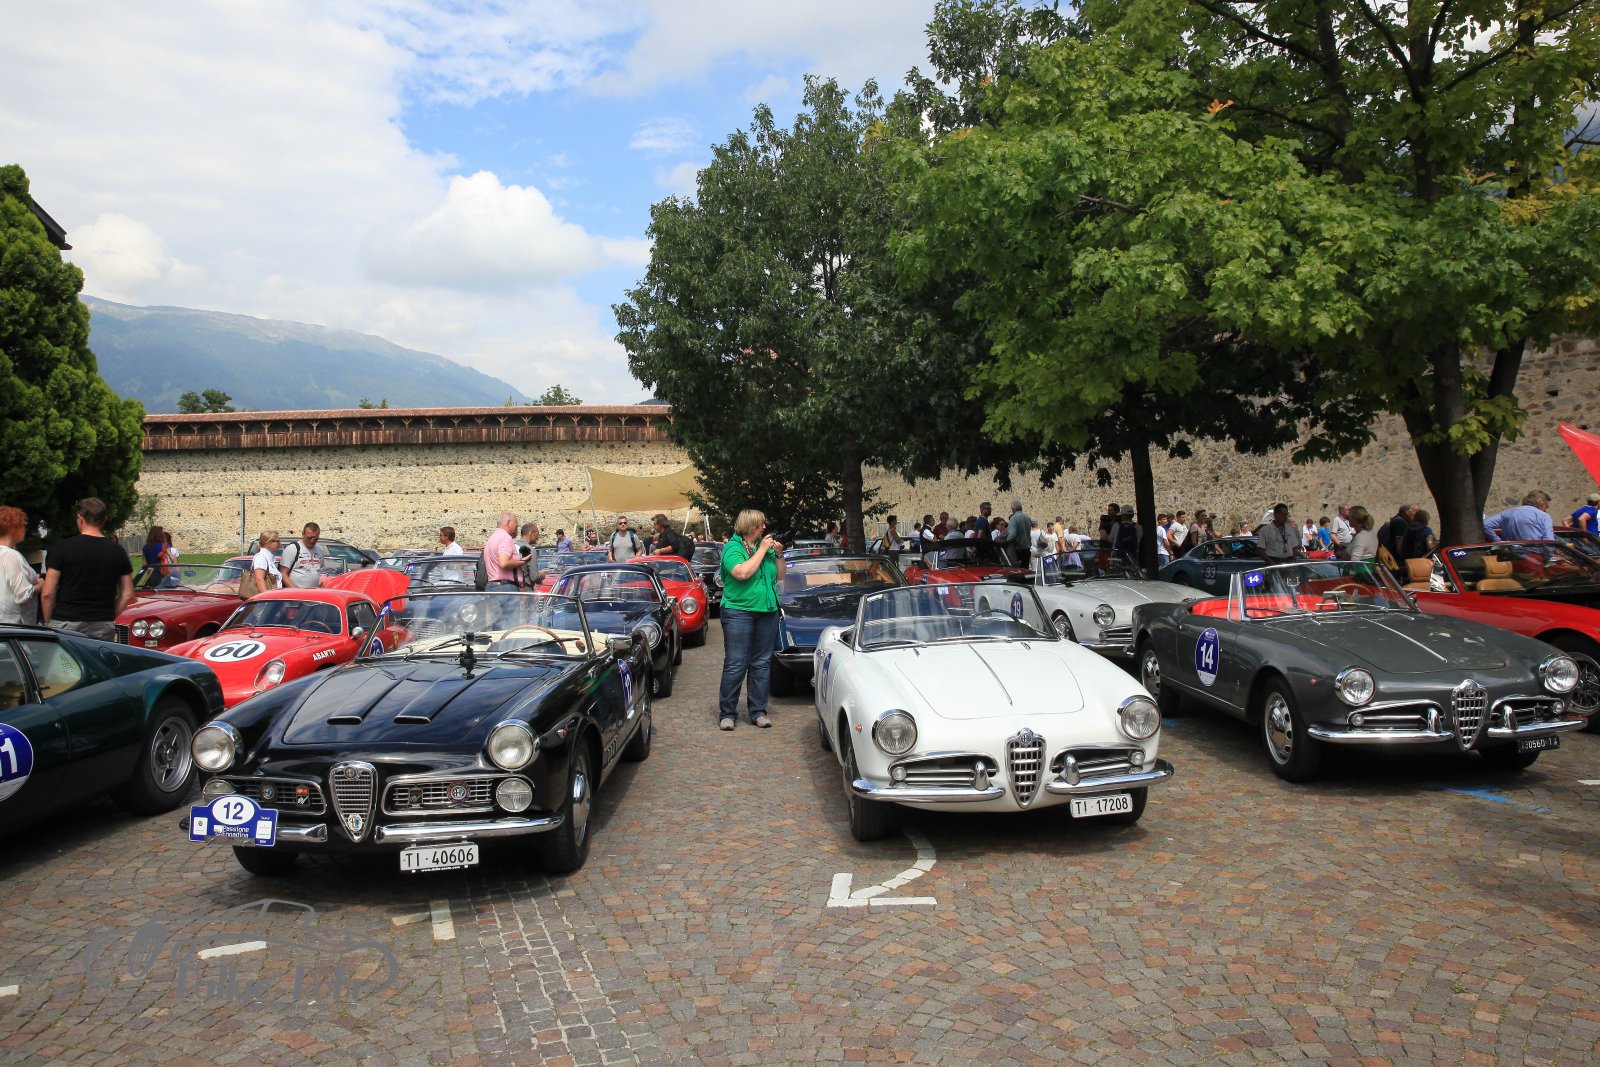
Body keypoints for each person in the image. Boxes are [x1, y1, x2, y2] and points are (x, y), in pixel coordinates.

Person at [718, 509, 786, 731]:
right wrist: (763, 550)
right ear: (750, 525)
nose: (764, 527)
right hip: (738, 612)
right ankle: (727, 713)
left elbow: (781, 575)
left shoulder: (763, 548)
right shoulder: (733, 548)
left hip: (767, 611)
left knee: (762, 663)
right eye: (761, 524)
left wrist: (778, 555)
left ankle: (758, 711)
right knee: (736, 663)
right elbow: (741, 573)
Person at [40, 497, 134, 641]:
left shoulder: (62, 548)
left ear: (79, 518)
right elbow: (128, 593)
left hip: (65, 621)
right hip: (101, 623)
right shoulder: (118, 551)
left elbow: (47, 593)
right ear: (104, 519)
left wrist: (48, 622)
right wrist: (109, 615)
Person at [0, 506, 43, 625]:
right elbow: (23, 595)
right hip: (13, 626)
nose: (25, 529)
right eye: (22, 526)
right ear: (13, 528)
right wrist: (40, 585)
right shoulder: (11, 555)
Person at [483, 511, 530, 590]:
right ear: (509, 523)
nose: (517, 526)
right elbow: (503, 563)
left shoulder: (492, 538)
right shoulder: (505, 537)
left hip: (492, 585)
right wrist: (523, 561)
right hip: (505, 587)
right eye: (516, 523)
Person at [1485, 491, 1555, 542]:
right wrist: (1548, 556)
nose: (1546, 510)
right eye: (1546, 506)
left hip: (1508, 553)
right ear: (1542, 504)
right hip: (1533, 554)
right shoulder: (1543, 516)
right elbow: (1548, 541)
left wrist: (1498, 541)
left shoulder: (1506, 513)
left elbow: (1485, 524)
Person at [280, 523, 327, 589]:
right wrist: (294, 589)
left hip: (314, 591)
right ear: (303, 534)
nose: (312, 541)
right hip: (295, 591)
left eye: (315, 538)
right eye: (309, 538)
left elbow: (319, 571)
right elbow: (283, 573)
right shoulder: (292, 548)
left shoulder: (320, 549)